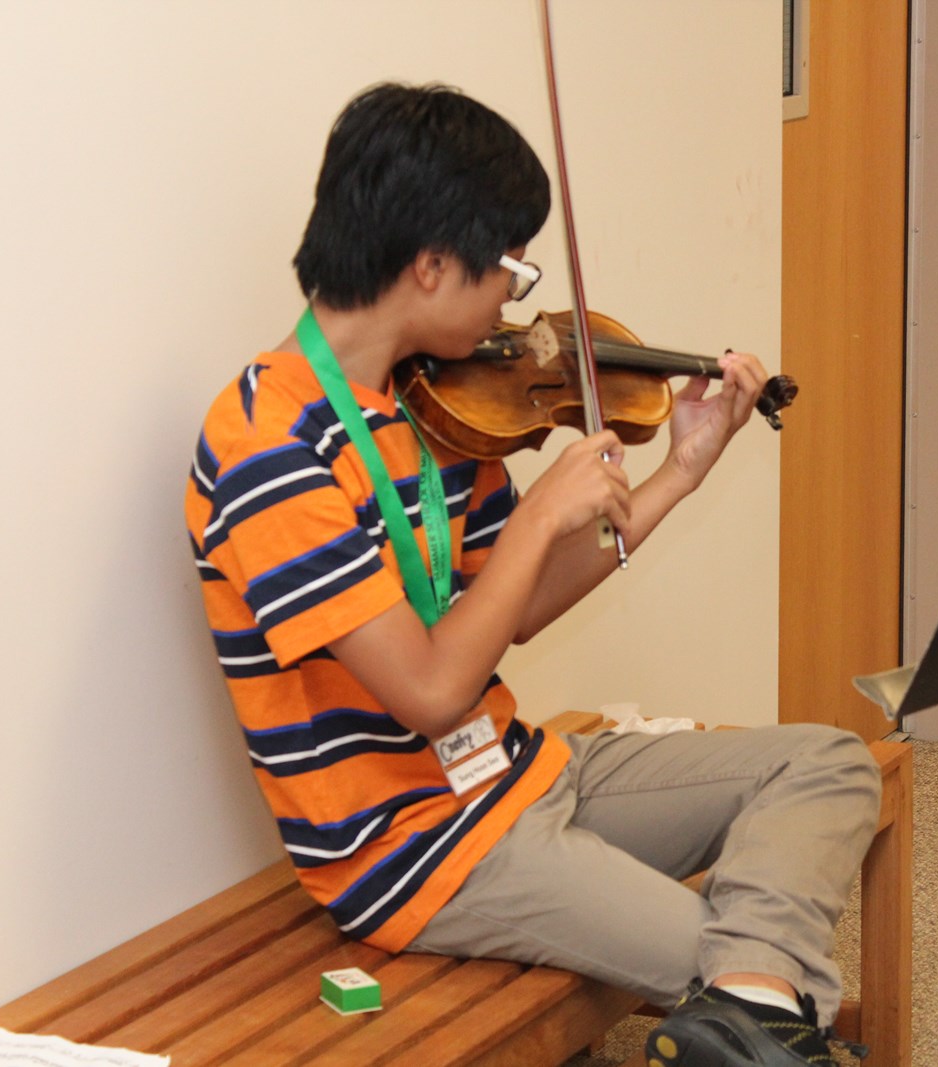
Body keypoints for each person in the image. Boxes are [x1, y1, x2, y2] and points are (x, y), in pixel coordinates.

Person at [183, 82, 882, 1067]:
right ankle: (757, 1003)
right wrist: (543, 513)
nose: (517, 304)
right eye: (509, 268)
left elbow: (516, 609)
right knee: (740, 972)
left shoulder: (427, 406)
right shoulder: (268, 447)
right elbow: (431, 691)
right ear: (431, 265)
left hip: (518, 770)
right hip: (418, 849)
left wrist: (678, 472)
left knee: (828, 764)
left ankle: (751, 1000)